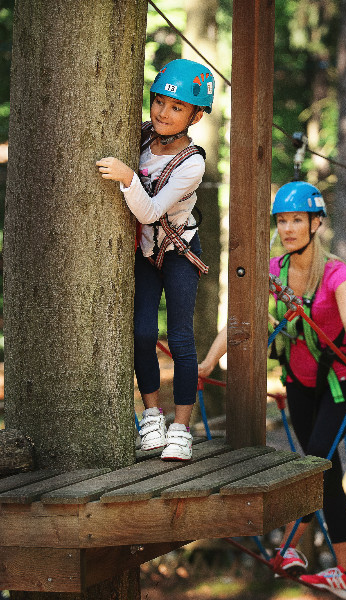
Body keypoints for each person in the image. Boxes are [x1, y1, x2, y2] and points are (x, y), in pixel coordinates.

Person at [97, 59, 215, 461]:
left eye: (177, 107)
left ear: (196, 115)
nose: (164, 113)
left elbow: (147, 211)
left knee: (180, 338)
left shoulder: (192, 163)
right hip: (146, 254)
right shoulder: (145, 138)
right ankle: (152, 416)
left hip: (179, 253)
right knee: (143, 334)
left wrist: (128, 177)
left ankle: (181, 428)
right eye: (160, 102)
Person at [269, 181, 346, 600]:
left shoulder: (336, 272)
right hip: (298, 385)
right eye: (282, 220)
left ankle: (291, 547)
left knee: (313, 463)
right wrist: (206, 362)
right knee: (326, 473)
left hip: (341, 385)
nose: (289, 228)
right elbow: (247, 321)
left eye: (297, 219)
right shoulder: (275, 271)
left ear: (316, 223)